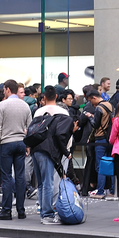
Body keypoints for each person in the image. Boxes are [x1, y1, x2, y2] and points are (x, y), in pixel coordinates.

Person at [30, 85, 73, 225]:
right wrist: (66, 151)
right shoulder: (63, 112)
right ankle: (47, 215)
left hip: (36, 149)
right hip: (49, 149)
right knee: (49, 182)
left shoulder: (38, 112)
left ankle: (43, 211)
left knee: (41, 183)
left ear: (43, 98)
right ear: (56, 96)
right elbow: (64, 134)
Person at [0, 79, 31, 220]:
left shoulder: (2, 105)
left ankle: (6, 211)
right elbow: (30, 128)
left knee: (7, 177)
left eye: (4, 90)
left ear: (8, 89)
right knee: (20, 177)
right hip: (21, 143)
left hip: (6, 143)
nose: (3, 92)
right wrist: (27, 145)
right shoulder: (25, 106)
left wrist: (0, 140)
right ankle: (21, 210)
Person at [85, 89, 113, 199]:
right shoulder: (110, 105)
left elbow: (95, 125)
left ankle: (100, 191)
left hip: (100, 138)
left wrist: (90, 117)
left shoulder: (99, 108)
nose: (91, 104)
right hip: (110, 138)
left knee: (100, 165)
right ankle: (112, 190)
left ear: (94, 98)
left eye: (91, 101)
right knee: (110, 163)